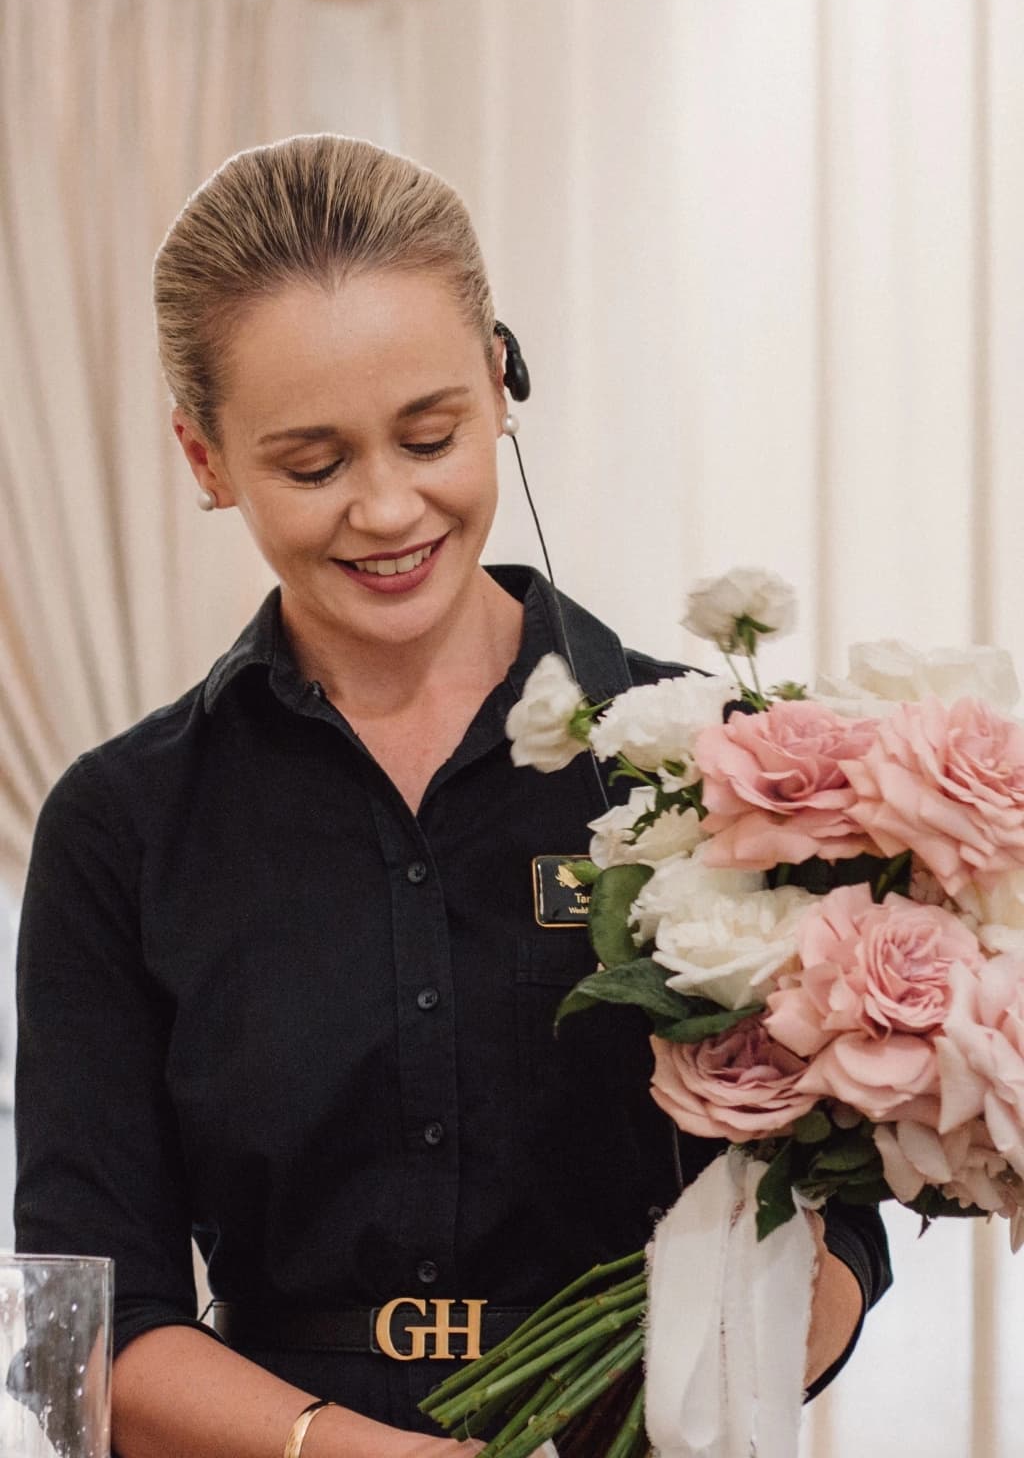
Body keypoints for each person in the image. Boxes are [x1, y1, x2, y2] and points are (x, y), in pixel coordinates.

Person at [14, 135, 890, 1458]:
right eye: (312, 466)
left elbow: (841, 1231)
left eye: (431, 434)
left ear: (501, 380)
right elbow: (94, 1320)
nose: (386, 506)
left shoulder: (727, 764)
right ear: (205, 459)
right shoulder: (121, 826)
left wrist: (715, 1380)